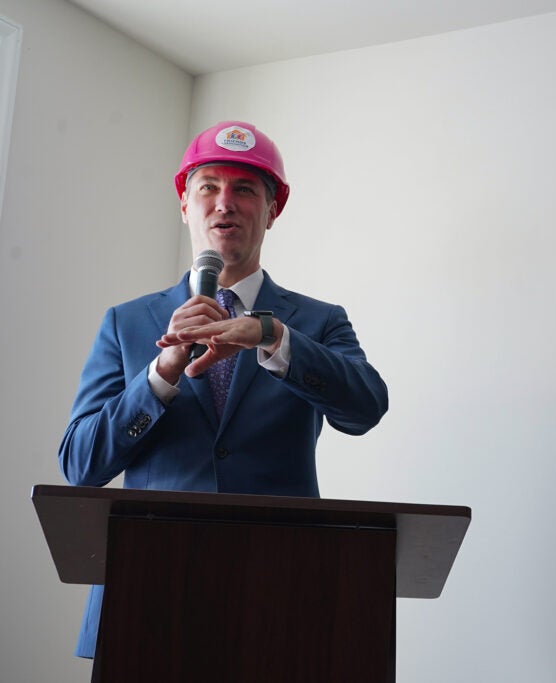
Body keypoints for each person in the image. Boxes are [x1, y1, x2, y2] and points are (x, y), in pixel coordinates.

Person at [58, 121, 388, 658]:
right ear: (184, 206)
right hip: (145, 595)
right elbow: (80, 463)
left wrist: (276, 339)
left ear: (272, 210)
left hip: (280, 594)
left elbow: (366, 408)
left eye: (244, 190)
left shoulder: (318, 322)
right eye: (207, 187)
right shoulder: (126, 322)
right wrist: (160, 375)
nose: (224, 203)